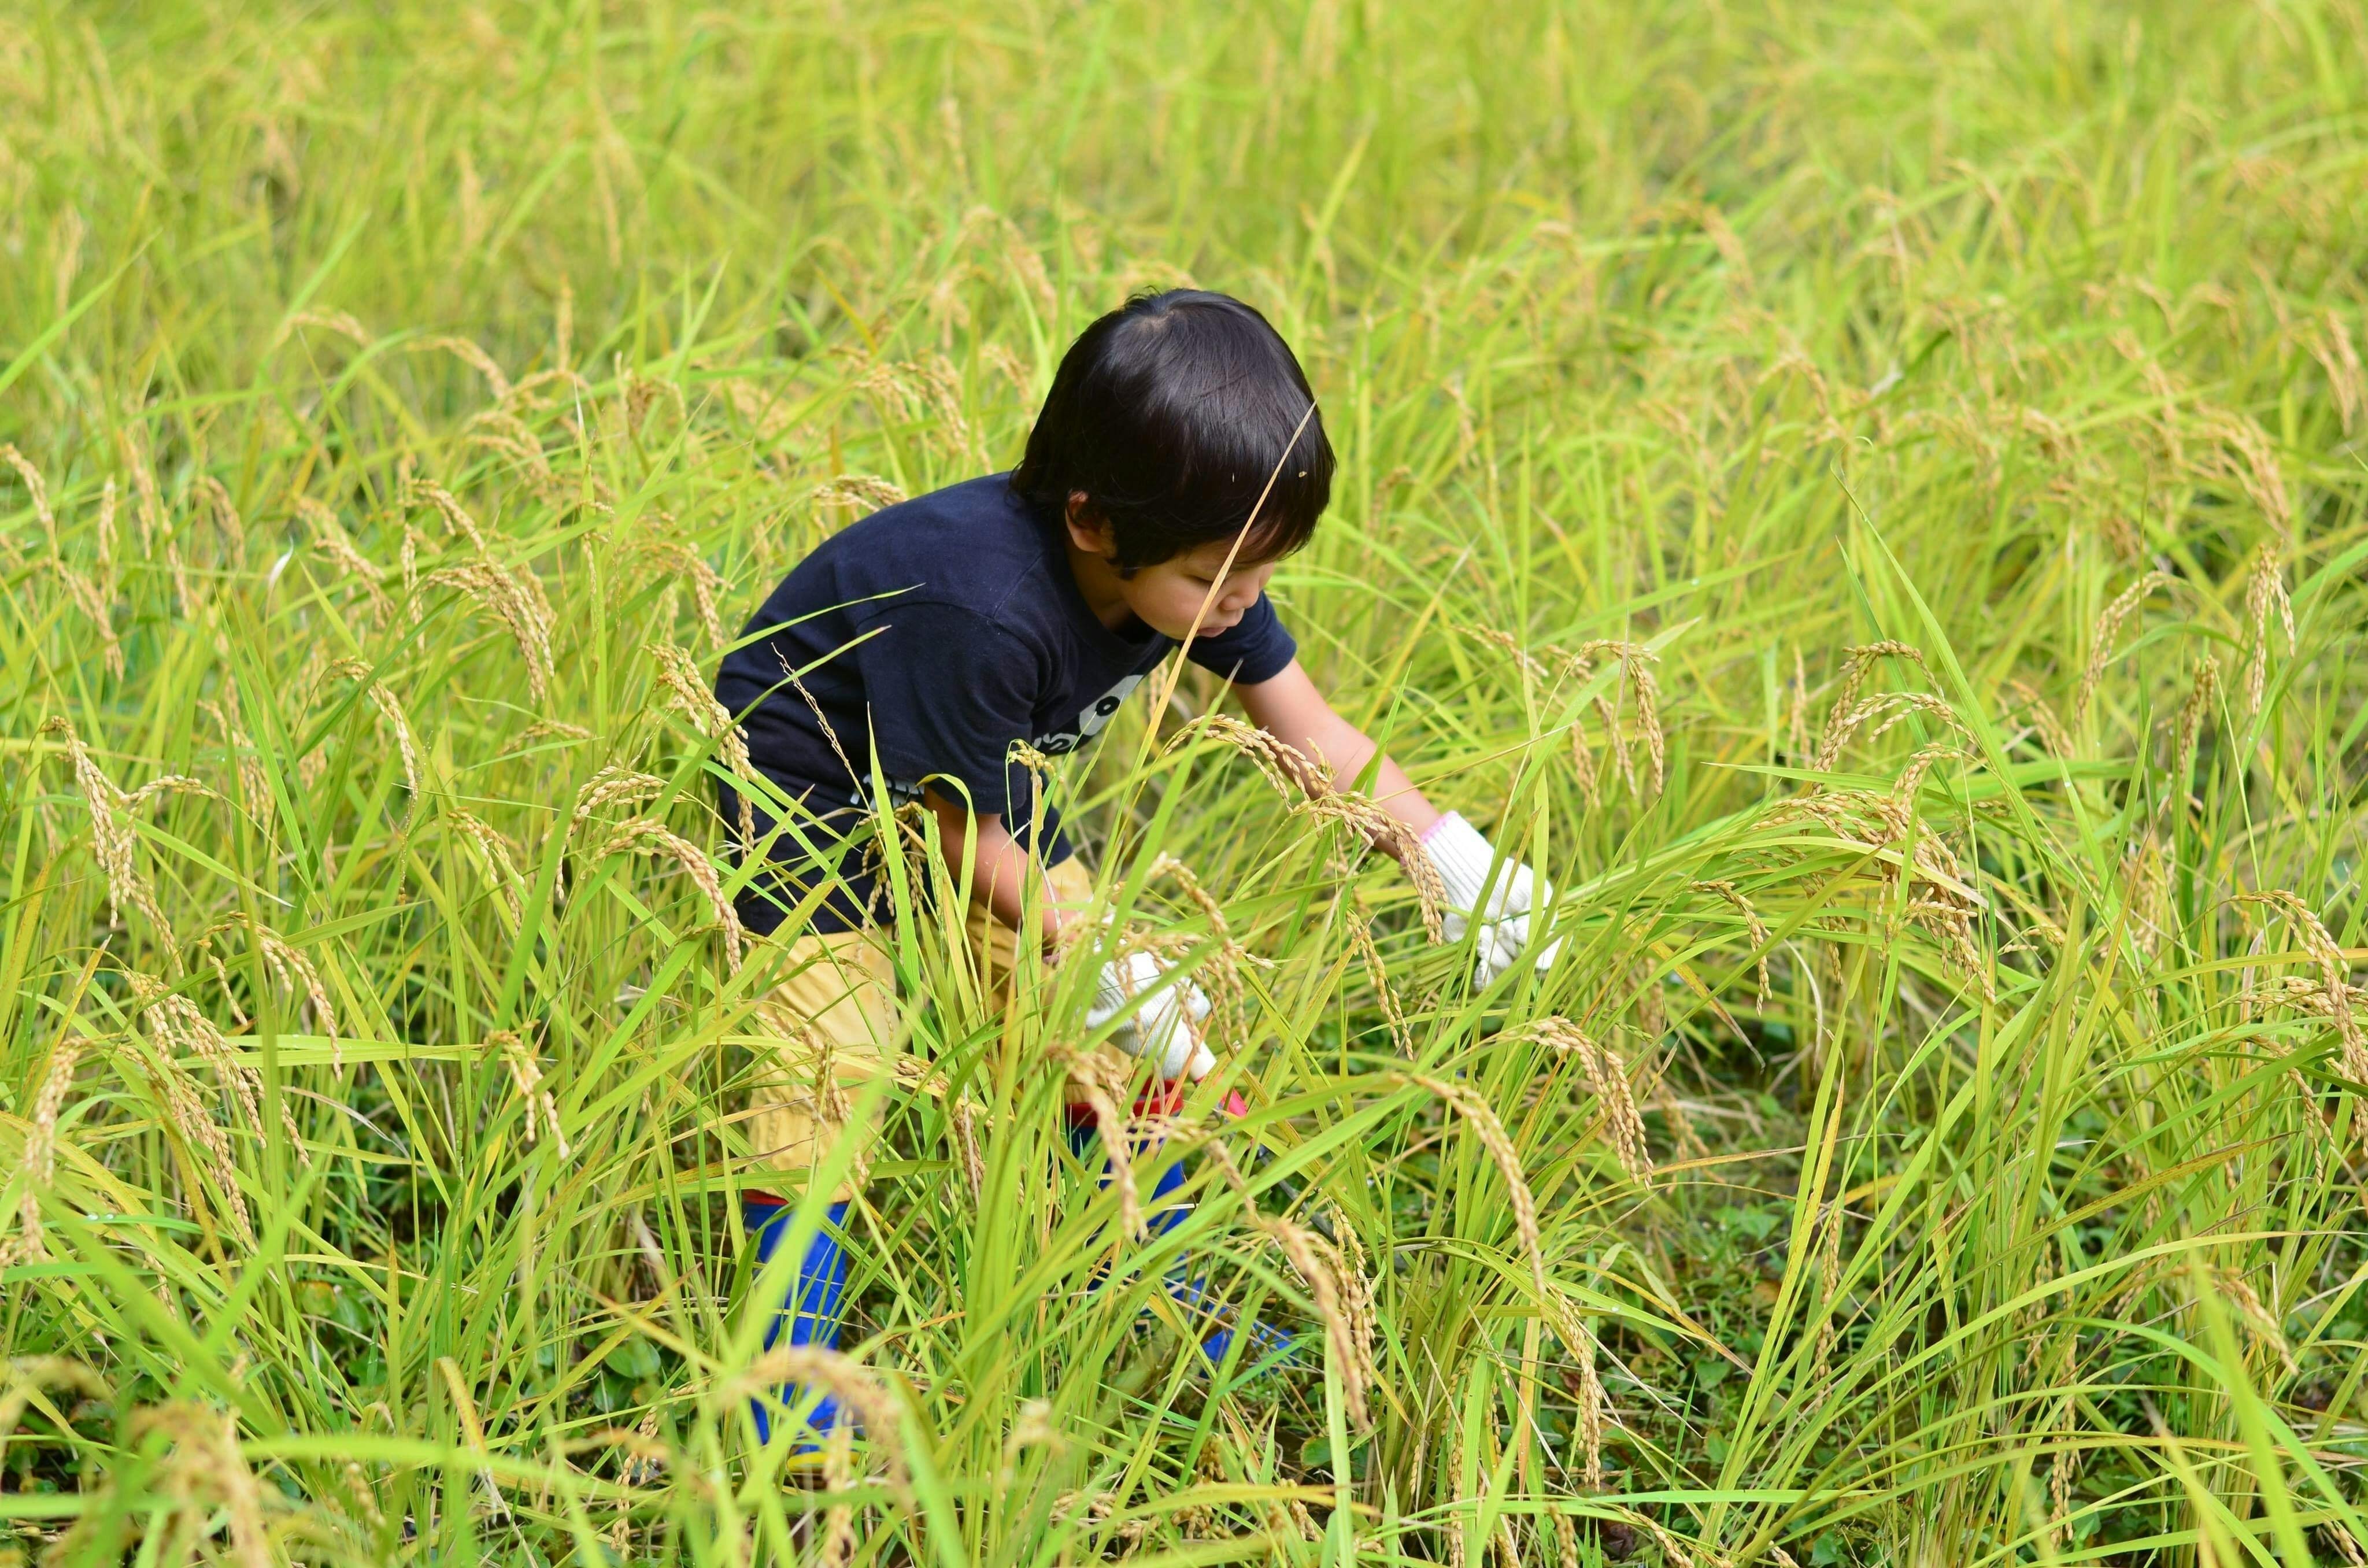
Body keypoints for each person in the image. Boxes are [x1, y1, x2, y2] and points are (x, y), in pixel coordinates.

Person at [712, 288, 1559, 1447]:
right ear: (1092, 522)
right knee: (829, 1066)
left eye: (1262, 570)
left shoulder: (1196, 567)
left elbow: (1302, 726)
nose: (1243, 604)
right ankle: (791, 1393)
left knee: (1123, 1031)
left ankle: (1182, 1295)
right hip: (813, 808)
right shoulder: (984, 608)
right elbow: (946, 835)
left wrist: (1445, 853)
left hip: (966, 787)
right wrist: (1090, 944)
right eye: (1222, 577)